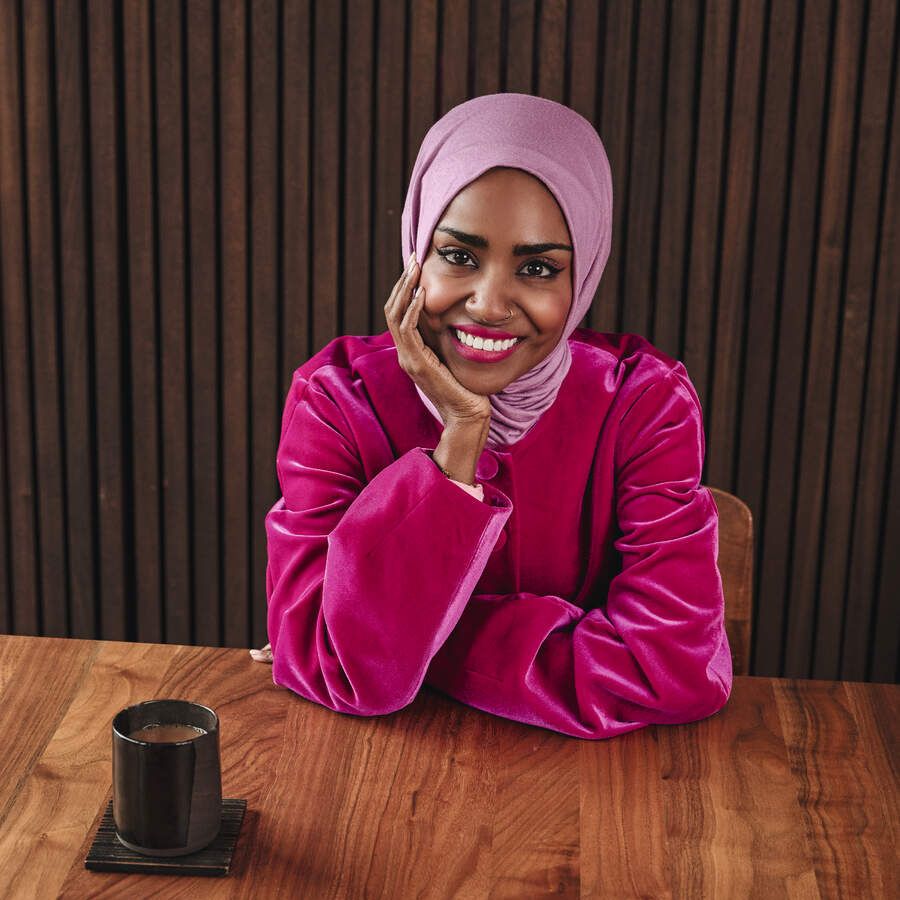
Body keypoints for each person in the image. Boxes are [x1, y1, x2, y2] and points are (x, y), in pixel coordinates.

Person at [252, 92, 732, 739]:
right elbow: (339, 670)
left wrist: (419, 642)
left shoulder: (645, 405)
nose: (489, 303)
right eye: (458, 256)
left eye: (536, 267)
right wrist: (459, 442)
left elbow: (672, 669)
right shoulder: (336, 402)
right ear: (417, 250)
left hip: (600, 801)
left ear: (583, 272)